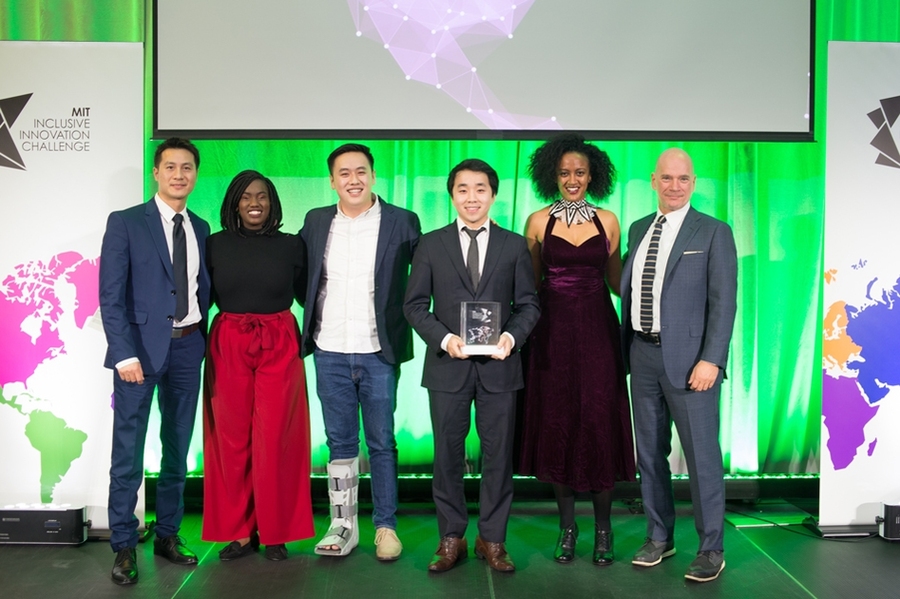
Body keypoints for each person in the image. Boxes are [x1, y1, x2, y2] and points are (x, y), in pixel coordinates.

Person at [404, 158, 540, 573]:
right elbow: (413, 306)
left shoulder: (514, 245)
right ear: (452, 195)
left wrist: (511, 337)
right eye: (463, 189)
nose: (472, 197)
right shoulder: (430, 243)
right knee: (447, 453)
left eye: (480, 189)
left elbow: (529, 305)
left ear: (493, 195)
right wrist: (445, 339)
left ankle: (493, 539)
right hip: (449, 365)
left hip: (500, 367)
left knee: (499, 456)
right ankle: (451, 538)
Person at [518, 133, 636, 565]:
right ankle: (568, 530)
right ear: (553, 175)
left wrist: (656, 297)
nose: (572, 179)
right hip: (550, 336)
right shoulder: (535, 221)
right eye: (565, 172)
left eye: (580, 172)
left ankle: (604, 532)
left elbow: (615, 280)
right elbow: (528, 287)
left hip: (598, 335)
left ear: (593, 176)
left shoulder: (608, 220)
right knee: (558, 426)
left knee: (599, 424)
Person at [299, 143, 421, 560]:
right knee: (340, 443)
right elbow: (306, 279)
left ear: (373, 176)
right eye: (344, 173)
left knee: (383, 441)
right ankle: (342, 525)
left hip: (378, 350)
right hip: (329, 349)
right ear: (332, 180)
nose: (354, 179)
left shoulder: (403, 221)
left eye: (361, 171)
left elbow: (420, 280)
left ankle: (385, 527)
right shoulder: (316, 222)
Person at [621, 148, 737, 583]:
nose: (675, 186)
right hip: (642, 356)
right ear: (653, 180)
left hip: (693, 364)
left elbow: (724, 304)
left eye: (683, 179)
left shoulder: (713, 232)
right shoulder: (637, 230)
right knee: (649, 455)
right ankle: (659, 536)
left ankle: (711, 548)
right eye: (667, 178)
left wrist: (712, 359)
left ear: (693, 182)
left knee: (702, 457)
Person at [99, 138, 210, 585]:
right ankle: (124, 543)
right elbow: (111, 294)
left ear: (195, 174)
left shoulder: (199, 226)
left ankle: (168, 533)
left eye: (187, 167)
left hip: (187, 347)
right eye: (170, 167)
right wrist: (123, 351)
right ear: (156, 173)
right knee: (127, 451)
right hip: (138, 354)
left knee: (177, 449)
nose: (179, 174)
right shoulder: (126, 222)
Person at [202, 170, 314, 562]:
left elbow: (308, 296)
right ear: (234, 202)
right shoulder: (213, 244)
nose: (255, 203)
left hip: (279, 340)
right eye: (247, 196)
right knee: (231, 440)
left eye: (263, 196)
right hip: (229, 339)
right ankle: (238, 532)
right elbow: (202, 297)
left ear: (273, 202)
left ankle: (276, 531)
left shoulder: (292, 246)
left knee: (277, 439)